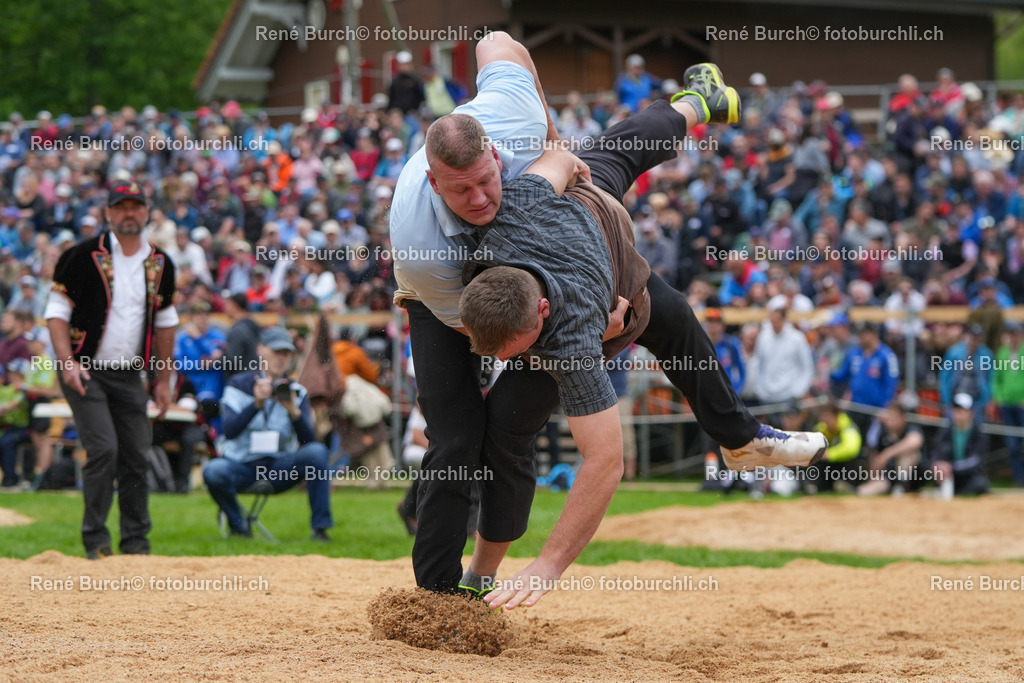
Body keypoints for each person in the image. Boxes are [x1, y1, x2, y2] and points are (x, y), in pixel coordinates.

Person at [450, 68, 829, 609]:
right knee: (631, 139)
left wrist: (549, 564)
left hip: (620, 278)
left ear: (540, 316)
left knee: (679, 328)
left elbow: (606, 461)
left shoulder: (573, 338)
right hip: (580, 206)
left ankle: (741, 440)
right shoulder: (504, 223)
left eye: (519, 352)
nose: (518, 360)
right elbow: (556, 157)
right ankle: (700, 101)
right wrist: (564, 159)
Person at [45, 181, 177, 559]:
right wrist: (66, 361)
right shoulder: (81, 255)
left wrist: (163, 380)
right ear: (108, 213)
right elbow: (56, 313)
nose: (129, 213)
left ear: (147, 211)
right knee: (104, 449)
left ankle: (136, 544)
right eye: (122, 207)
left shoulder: (161, 263)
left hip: (129, 373)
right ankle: (96, 542)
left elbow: (166, 323)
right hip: (84, 368)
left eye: (136, 206)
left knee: (137, 452)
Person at [202, 327, 333, 539]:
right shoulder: (238, 385)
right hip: (242, 466)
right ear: (261, 350)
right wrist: (256, 404)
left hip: (278, 468)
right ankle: (239, 527)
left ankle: (320, 529)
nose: (282, 358)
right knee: (213, 470)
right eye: (277, 351)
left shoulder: (296, 392)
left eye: (286, 353)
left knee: (317, 452)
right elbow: (229, 431)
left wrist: (294, 413)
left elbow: (308, 442)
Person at [858, 400, 925, 496]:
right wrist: (873, 477)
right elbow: (876, 457)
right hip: (890, 477)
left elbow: (915, 441)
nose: (890, 422)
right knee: (867, 490)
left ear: (902, 418)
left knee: (908, 455)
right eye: (889, 417)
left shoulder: (910, 428)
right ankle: (854, 489)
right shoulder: (883, 433)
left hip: (915, 477)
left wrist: (887, 454)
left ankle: (901, 486)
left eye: (894, 418)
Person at [931, 393, 990, 497]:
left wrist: (952, 467)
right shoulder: (945, 432)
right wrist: (938, 465)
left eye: (961, 410)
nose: (957, 413)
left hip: (969, 476)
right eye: (955, 409)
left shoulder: (979, 435)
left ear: (972, 413)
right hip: (948, 475)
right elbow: (936, 452)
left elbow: (976, 460)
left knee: (980, 484)